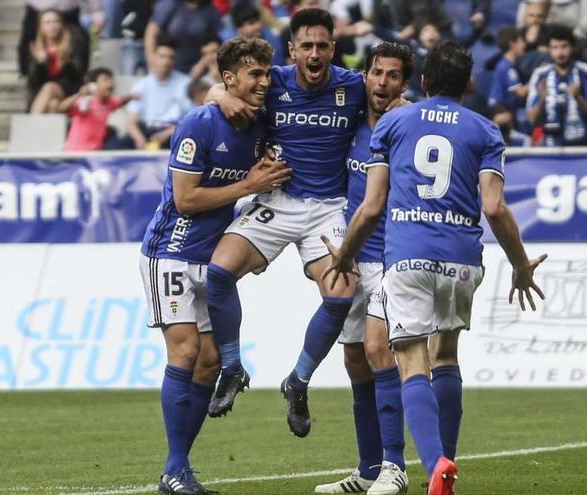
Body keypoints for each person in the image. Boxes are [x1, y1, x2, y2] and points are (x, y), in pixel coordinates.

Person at [324, 40, 547, 495]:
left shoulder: (393, 123)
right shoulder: (485, 131)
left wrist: (345, 253)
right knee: (445, 356)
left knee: (411, 362)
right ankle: (447, 461)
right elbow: (495, 207)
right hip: (463, 261)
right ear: (468, 83)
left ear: (422, 82)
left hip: (407, 258)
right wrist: (521, 265)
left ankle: (435, 464)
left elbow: (371, 207)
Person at [201, 9, 366, 438]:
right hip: (277, 199)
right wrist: (223, 97)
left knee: (341, 294)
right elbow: (215, 90)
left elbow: (389, 100)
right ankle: (233, 367)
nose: (314, 54)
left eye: (322, 46)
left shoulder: (352, 86)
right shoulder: (272, 81)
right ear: (292, 50)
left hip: (328, 210)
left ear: (334, 48)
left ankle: (299, 380)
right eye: (306, 46)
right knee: (217, 273)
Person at [138, 36, 290, 495]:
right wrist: (247, 185)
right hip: (171, 250)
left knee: (207, 366)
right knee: (184, 354)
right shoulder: (198, 124)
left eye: (267, 73)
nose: (264, 82)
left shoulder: (261, 123)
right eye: (254, 75)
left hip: (212, 256)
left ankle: (178, 468)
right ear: (229, 79)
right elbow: (185, 200)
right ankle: (173, 468)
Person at [313, 42, 413, 495]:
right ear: (366, 75)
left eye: (393, 75)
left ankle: (396, 466)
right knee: (355, 361)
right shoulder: (351, 123)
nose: (383, 83)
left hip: (393, 258)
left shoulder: (409, 126)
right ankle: (369, 468)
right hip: (353, 259)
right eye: (377, 73)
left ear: (404, 84)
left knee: (378, 350)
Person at [526, 24, 587, 146]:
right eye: (555, 48)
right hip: (551, 151)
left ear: (572, 47)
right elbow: (531, 119)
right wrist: (542, 99)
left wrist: (578, 98)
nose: (560, 52)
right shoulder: (540, 75)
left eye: (564, 47)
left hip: (585, 150)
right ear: (549, 50)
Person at [122, 38, 194, 150]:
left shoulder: (186, 84)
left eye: (171, 57)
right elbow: (131, 121)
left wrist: (168, 133)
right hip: (146, 130)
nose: (166, 61)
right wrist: (139, 138)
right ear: (154, 58)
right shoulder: (141, 85)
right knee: (116, 145)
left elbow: (192, 120)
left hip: (173, 131)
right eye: (162, 56)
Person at [27, 9, 88, 114]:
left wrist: (66, 62)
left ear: (61, 24)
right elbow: (32, 82)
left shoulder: (73, 43)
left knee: (49, 87)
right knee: (53, 104)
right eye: (48, 23)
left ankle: (30, 126)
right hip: (46, 95)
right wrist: (40, 63)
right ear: (41, 28)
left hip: (70, 89)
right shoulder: (37, 48)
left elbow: (79, 72)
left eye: (56, 21)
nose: (53, 26)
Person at [59, 67, 134, 151]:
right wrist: (78, 95)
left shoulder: (110, 102)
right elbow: (61, 108)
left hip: (95, 155)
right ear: (94, 86)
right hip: (76, 154)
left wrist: (133, 97)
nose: (110, 83)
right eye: (105, 80)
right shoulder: (85, 102)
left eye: (111, 80)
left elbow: (121, 100)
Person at [144, 0, 222, 75]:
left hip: (195, 71)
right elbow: (151, 34)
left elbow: (215, 44)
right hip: (167, 67)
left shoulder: (211, 11)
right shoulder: (170, 4)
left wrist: (202, 64)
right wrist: (152, 64)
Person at [489, 27, 529, 131]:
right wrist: (538, 77)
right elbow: (521, 92)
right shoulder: (506, 67)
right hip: (501, 111)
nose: (524, 45)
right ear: (512, 44)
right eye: (521, 41)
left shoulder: (509, 65)